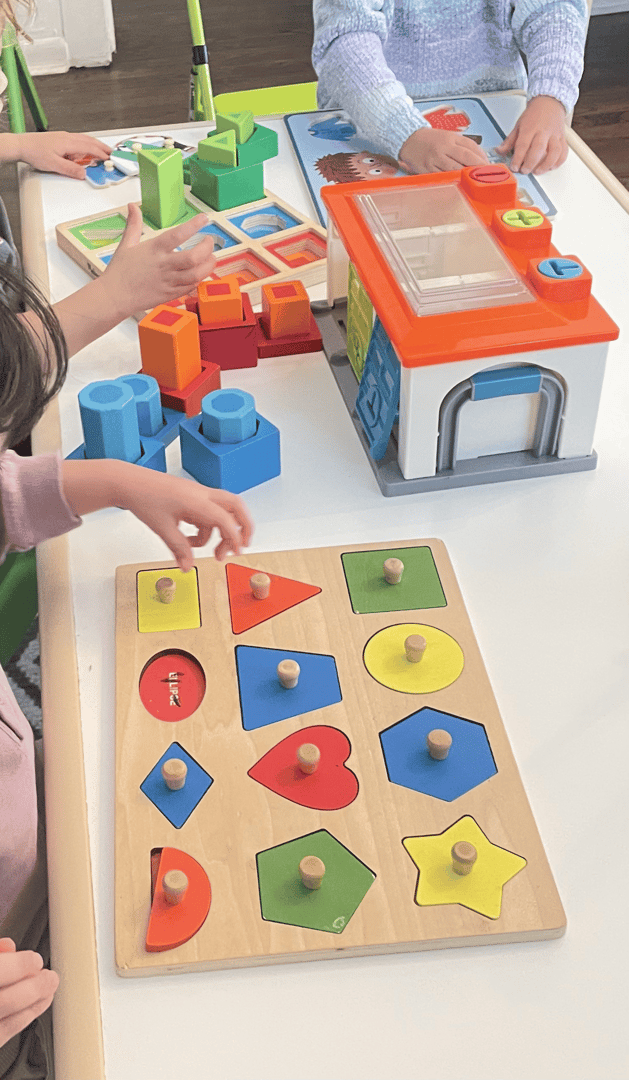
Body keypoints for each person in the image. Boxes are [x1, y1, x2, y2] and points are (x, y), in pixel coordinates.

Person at [312, 0, 589, 175]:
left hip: (495, 115)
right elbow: (345, 42)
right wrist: (405, 133)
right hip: (368, 122)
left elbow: (553, 13)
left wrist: (550, 99)